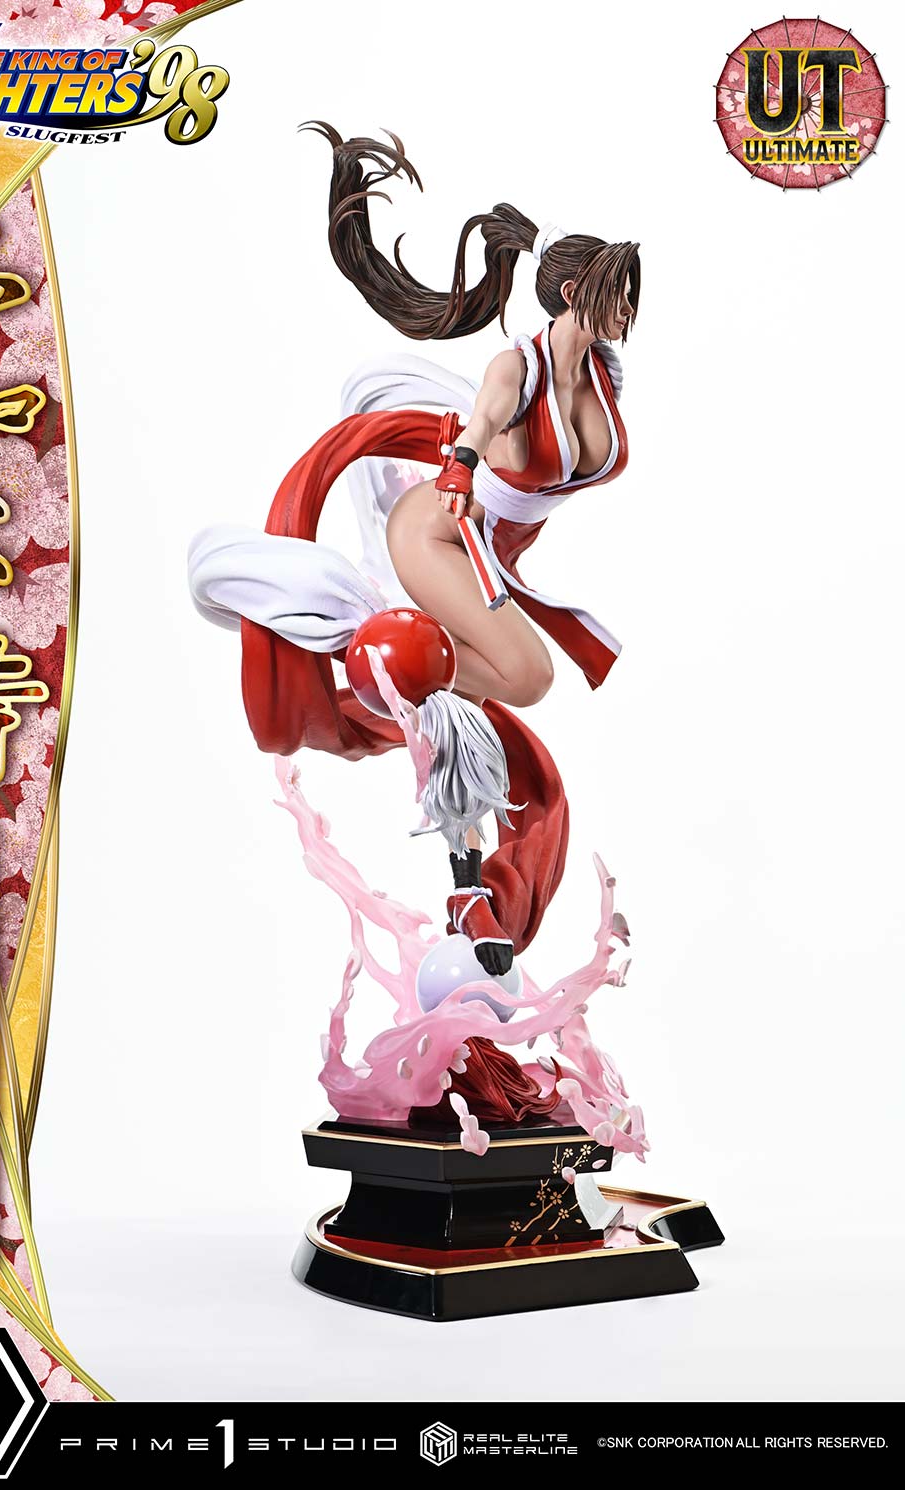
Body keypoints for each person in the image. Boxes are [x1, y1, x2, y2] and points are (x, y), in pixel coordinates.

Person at [189, 124, 639, 976]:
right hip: (437, 533)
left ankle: (471, 888)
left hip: (492, 556)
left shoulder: (605, 374)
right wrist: (464, 465)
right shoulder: (517, 370)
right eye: (617, 293)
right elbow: (479, 427)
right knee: (526, 679)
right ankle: (389, 672)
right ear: (575, 291)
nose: (628, 312)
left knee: (479, 709)